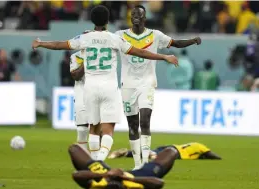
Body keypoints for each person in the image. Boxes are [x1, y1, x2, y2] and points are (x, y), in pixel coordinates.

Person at [32, 5, 178, 161]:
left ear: (92, 20)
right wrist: (163, 57)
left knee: (93, 128)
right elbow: (141, 52)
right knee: (108, 129)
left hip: (90, 87)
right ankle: (100, 159)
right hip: (109, 87)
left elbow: (59, 45)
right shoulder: (115, 39)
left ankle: (95, 161)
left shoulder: (84, 38)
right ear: (108, 21)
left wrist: (41, 43)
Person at [115, 5, 201, 169]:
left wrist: (192, 40)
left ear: (145, 17)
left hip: (147, 83)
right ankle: (137, 164)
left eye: (139, 14)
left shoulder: (155, 35)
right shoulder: (120, 35)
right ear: (130, 17)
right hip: (128, 84)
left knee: (145, 120)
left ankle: (145, 163)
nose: (136, 17)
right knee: (133, 125)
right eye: (133, 14)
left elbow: (175, 43)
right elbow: (104, 41)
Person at [69, 143, 177, 189]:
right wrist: (123, 177)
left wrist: (106, 174)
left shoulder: (99, 185)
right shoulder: (132, 186)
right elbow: (159, 183)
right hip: (136, 178)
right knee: (171, 151)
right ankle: (151, 154)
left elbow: (76, 175)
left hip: (103, 173)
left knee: (74, 148)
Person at [108, 142, 222, 160]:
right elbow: (212, 155)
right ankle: (126, 152)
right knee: (154, 156)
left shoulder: (195, 145)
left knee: (152, 153)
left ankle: (127, 152)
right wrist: (219, 159)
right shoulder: (202, 148)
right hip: (175, 151)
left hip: (171, 146)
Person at [70, 50, 88, 150]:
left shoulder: (103, 52)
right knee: (82, 127)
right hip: (82, 90)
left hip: (100, 91)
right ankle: (85, 157)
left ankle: (98, 158)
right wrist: (88, 60)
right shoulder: (75, 56)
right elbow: (76, 76)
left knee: (100, 127)